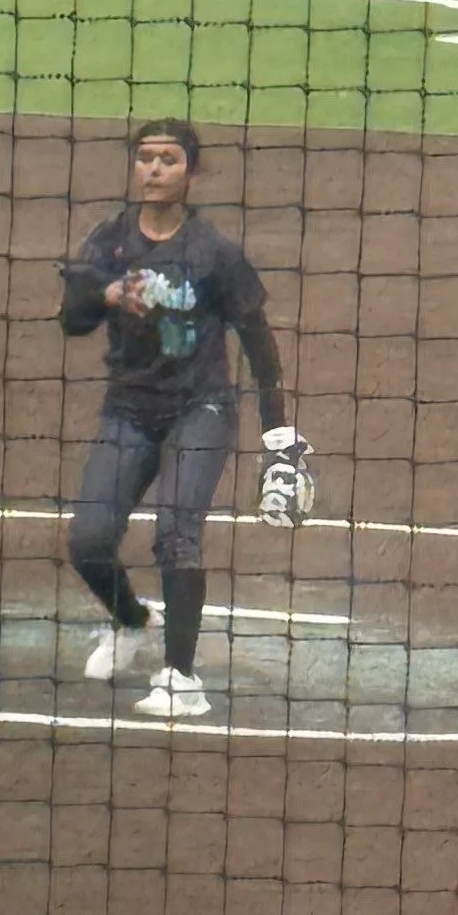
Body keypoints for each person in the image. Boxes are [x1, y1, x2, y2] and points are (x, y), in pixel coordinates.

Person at [57, 118, 310, 722]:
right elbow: (71, 320)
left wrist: (279, 438)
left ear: (190, 172)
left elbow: (258, 342)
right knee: (89, 539)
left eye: (168, 159)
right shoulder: (109, 242)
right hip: (130, 410)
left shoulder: (213, 253)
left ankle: (181, 678)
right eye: (145, 157)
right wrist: (106, 296)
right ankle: (131, 621)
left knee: (177, 529)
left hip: (202, 410)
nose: (153, 168)